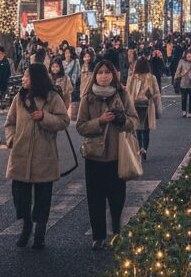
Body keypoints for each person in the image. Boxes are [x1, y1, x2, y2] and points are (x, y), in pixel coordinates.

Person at [4, 64, 69, 250]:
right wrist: (11, 140)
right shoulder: (19, 97)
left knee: (43, 197)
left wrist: (44, 117)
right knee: (19, 196)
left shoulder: (52, 97)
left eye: (27, 76)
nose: (23, 79)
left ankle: (39, 231)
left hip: (44, 155)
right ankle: (26, 224)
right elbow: (10, 123)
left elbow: (64, 121)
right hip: (20, 154)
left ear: (37, 78)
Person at [76, 60, 138, 251]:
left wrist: (122, 120)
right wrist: (99, 122)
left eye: (107, 72)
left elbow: (134, 121)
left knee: (117, 197)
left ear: (113, 75)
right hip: (94, 156)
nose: (104, 76)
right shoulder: (88, 98)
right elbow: (81, 126)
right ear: (95, 75)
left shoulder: (122, 94)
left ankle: (117, 228)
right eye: (100, 72)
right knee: (95, 198)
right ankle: (98, 236)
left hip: (116, 155)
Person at [126, 57, 160, 161]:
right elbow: (156, 94)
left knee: (137, 130)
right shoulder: (152, 78)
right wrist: (158, 109)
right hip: (147, 106)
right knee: (146, 130)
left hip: (134, 106)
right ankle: (144, 149)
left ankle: (138, 148)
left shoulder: (131, 78)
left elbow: (127, 92)